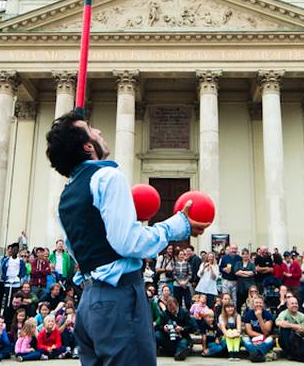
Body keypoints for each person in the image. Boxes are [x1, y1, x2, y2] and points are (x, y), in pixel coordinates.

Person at [46, 109, 205, 366]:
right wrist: (177, 225)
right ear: (88, 146)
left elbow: (79, 251)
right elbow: (128, 243)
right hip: (119, 299)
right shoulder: (108, 176)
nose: (99, 131)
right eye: (91, 129)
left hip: (88, 303)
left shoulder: (64, 197)